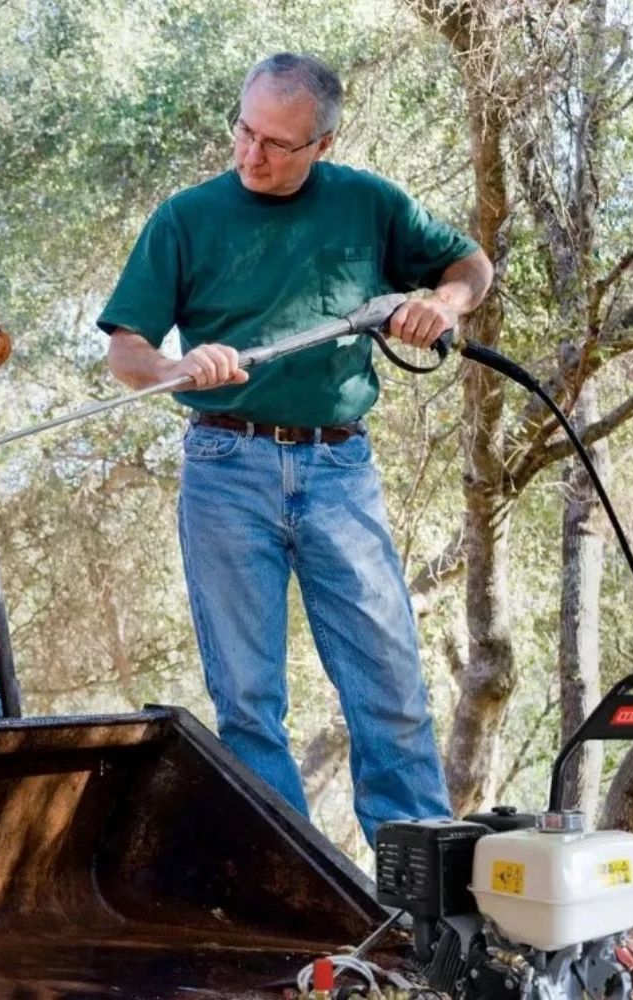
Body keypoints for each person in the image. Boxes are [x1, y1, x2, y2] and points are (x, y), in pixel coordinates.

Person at [97, 52, 493, 847]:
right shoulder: (185, 218)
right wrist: (177, 367)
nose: (251, 154)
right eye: (243, 131)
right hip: (224, 469)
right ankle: (291, 883)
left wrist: (440, 304)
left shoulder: (368, 204)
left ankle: (417, 898)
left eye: (277, 144)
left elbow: (469, 264)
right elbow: (128, 351)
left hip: (338, 469)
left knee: (387, 679)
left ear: (325, 145)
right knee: (246, 697)